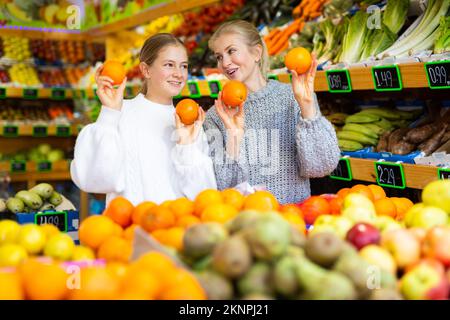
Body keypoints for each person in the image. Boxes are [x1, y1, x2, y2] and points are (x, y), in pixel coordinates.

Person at [200, 20, 340, 204]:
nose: (225, 62)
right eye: (219, 57)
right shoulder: (216, 116)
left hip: (294, 219)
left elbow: (321, 167)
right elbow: (222, 187)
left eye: (231, 51)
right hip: (247, 224)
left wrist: (307, 107)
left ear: (256, 52)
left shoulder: (293, 97)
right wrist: (233, 139)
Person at [70, 33, 216, 205]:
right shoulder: (120, 112)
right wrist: (109, 114)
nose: (179, 74)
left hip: (175, 226)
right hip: (129, 226)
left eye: (183, 66)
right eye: (169, 65)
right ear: (146, 70)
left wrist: (187, 146)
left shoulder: (189, 123)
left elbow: (204, 196)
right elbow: (91, 179)